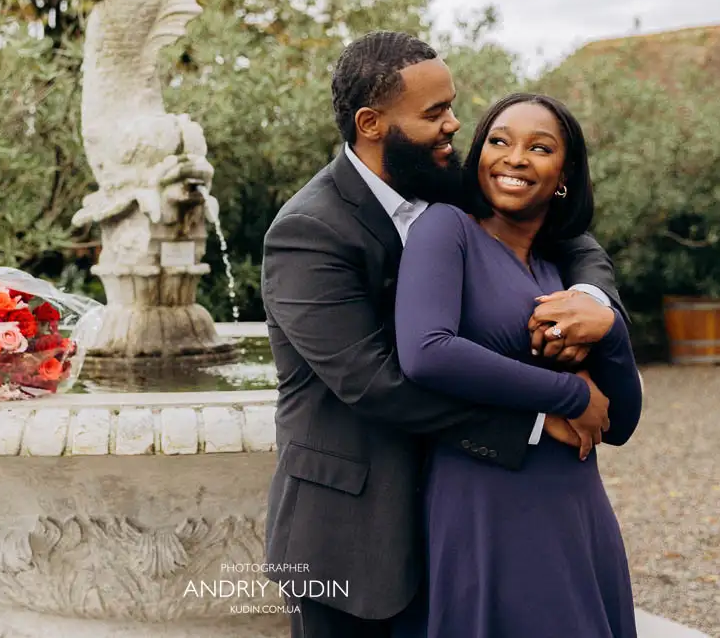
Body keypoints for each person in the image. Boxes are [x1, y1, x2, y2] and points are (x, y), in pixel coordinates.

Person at [261, 31, 624, 637]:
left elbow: (568, 230)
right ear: (372, 124)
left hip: (455, 517)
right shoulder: (309, 232)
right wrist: (540, 416)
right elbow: (372, 382)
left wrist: (593, 300)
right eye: (434, 113)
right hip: (349, 535)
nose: (455, 125)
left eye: (451, 106)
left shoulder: (445, 185)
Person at [394, 92, 644, 637]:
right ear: (479, 154)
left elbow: (620, 422)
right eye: (499, 141)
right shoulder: (446, 228)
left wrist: (610, 328)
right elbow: (426, 351)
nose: (515, 158)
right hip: (486, 501)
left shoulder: (562, 263)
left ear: (564, 175)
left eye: (540, 148)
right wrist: (568, 395)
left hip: (577, 506)